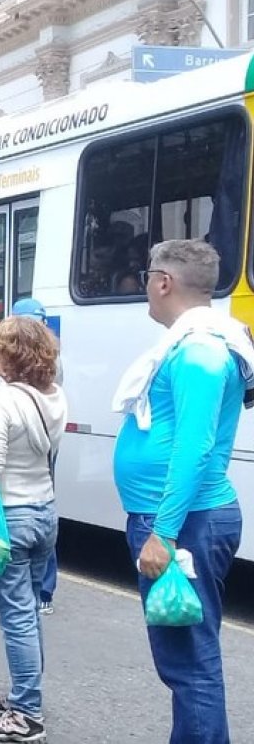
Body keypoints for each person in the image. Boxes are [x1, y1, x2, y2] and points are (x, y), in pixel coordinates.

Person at [112, 240, 249, 744]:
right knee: (186, 662)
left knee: (190, 666)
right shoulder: (197, 344)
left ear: (163, 282)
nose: (146, 286)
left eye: (148, 276)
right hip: (178, 521)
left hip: (183, 525)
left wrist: (163, 534)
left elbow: (193, 449)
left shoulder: (199, 352)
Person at [0, 316, 66, 742]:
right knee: (28, 612)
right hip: (44, 512)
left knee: (16, 617)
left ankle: (26, 712)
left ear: (10, 354)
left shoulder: (4, 400)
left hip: (10, 516)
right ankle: (26, 693)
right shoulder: (56, 395)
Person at [11, 298, 62, 615]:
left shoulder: (50, 364)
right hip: (29, 446)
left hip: (33, 449)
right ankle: (31, 587)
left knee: (33, 515)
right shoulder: (19, 361)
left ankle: (42, 588)